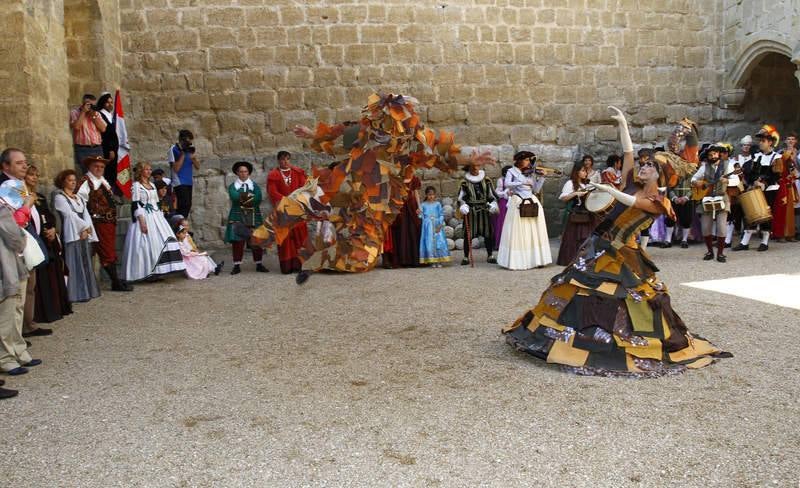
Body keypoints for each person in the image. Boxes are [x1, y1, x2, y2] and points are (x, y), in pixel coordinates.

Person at [503, 106, 729, 376]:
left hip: (622, 252)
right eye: (644, 164)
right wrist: (622, 123)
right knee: (572, 289)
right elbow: (628, 150)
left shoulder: (658, 202)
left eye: (650, 166)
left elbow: (632, 202)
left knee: (625, 298)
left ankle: (614, 342)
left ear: (660, 175)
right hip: (599, 244)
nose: (644, 167)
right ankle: (561, 335)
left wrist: (608, 188)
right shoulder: (633, 179)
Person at [245, 93, 493, 285]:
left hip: (374, 204)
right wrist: (311, 133)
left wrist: (471, 158)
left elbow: (444, 151)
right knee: (306, 197)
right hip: (346, 181)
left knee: (363, 258)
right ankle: (262, 234)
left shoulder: (417, 140)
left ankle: (320, 258)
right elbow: (336, 135)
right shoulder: (365, 131)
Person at [1, 149, 53, 337]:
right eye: (19, 163)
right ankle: (16, 338)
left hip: (27, 239)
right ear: (6, 166)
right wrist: (27, 204)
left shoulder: (18, 184)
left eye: (25, 162)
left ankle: (26, 328)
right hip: (12, 246)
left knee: (28, 287)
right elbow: (14, 221)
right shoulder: (5, 186)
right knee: (15, 293)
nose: (24, 165)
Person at [121, 162, 186, 282]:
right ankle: (146, 272)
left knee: (163, 239)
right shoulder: (136, 186)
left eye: (150, 169)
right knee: (145, 244)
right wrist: (141, 220)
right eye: (146, 169)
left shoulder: (152, 184)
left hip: (156, 215)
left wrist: (161, 214)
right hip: (144, 216)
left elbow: (156, 202)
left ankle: (158, 271)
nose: (149, 171)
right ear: (141, 171)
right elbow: (135, 204)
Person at [0, 188, 41, 377]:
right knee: (7, 312)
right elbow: (13, 234)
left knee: (16, 308)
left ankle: (18, 350)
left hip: (14, 262)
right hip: (6, 262)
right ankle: (5, 358)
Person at [76, 156, 133, 292]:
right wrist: (87, 221)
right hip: (98, 222)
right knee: (106, 251)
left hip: (108, 222)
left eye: (102, 167)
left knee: (109, 250)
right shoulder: (86, 182)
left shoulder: (102, 181)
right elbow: (79, 202)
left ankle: (115, 280)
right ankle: (115, 282)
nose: (99, 169)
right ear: (89, 167)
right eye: (96, 166)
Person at [24, 165, 72, 324]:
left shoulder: (39, 197)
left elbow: (48, 215)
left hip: (45, 240)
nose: (34, 178)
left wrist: (52, 229)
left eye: (36, 175)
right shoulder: (21, 196)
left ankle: (52, 309)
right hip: (32, 240)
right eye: (31, 175)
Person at [497, 150, 551, 270]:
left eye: (529, 160)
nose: (528, 162)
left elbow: (536, 190)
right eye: (526, 160)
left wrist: (541, 178)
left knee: (534, 231)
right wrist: (522, 181)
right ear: (520, 160)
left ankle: (537, 259)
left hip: (531, 201)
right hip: (518, 202)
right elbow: (507, 184)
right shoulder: (511, 171)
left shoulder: (530, 173)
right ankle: (518, 261)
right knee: (518, 231)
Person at [52, 169, 101, 303]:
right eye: (70, 180)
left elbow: (85, 214)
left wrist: (89, 229)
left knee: (84, 261)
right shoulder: (60, 197)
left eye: (74, 180)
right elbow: (69, 215)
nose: (73, 183)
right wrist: (84, 228)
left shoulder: (78, 198)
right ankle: (75, 293)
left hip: (82, 232)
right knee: (73, 262)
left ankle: (85, 291)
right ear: (63, 181)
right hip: (73, 233)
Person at [734, 125, 781, 252]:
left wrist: (764, 183)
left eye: (763, 141)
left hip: (770, 190)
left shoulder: (776, 158)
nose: (760, 143)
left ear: (770, 142)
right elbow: (751, 173)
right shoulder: (757, 157)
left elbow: (776, 175)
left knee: (765, 214)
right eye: (760, 141)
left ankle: (765, 241)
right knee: (750, 212)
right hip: (756, 188)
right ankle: (745, 242)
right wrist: (753, 181)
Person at [266, 151, 307, 274]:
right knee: (285, 238)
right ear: (279, 161)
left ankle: (301, 265)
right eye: (283, 160)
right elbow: (272, 191)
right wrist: (286, 200)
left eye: (287, 159)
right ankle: (287, 266)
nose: (285, 162)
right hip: (282, 210)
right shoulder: (273, 175)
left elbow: (303, 188)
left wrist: (296, 199)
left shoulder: (298, 172)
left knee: (300, 237)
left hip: (297, 209)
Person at [225, 161, 267, 275]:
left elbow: (259, 198)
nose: (243, 174)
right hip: (237, 214)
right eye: (241, 171)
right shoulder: (233, 186)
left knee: (256, 239)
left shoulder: (255, 186)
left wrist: (242, 198)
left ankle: (259, 263)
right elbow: (234, 197)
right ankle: (237, 265)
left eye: (245, 171)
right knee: (237, 241)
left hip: (254, 215)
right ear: (237, 173)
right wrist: (250, 198)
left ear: (249, 173)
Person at [691, 143, 730, 262]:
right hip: (706, 198)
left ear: (719, 154)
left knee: (721, 227)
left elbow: (736, 180)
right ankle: (710, 251)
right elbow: (693, 179)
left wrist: (726, 181)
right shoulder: (704, 167)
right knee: (705, 227)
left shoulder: (728, 165)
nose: (713, 156)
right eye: (710, 154)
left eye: (715, 153)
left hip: (722, 198)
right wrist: (699, 183)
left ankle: (721, 253)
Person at [457, 162, 499, 265]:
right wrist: (463, 205)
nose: (476, 169)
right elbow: (460, 197)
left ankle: (490, 255)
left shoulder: (487, 180)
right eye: (473, 167)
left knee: (488, 234)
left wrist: (493, 203)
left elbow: (492, 194)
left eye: (477, 166)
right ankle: (466, 257)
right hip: (471, 212)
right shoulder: (464, 182)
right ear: (469, 169)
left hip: (484, 210)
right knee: (468, 234)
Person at [556, 161, 596, 265]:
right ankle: (571, 260)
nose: (585, 173)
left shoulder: (586, 183)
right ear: (577, 171)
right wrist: (575, 193)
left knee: (587, 238)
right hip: (576, 215)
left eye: (585, 171)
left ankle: (585, 260)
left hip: (587, 214)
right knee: (573, 239)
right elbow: (563, 197)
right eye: (582, 170)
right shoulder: (570, 183)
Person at [390, 166, 422, 267]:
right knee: (403, 231)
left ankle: (414, 259)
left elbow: (416, 193)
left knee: (413, 230)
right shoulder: (399, 179)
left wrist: (419, 206)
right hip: (401, 207)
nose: (411, 171)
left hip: (412, 207)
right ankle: (404, 260)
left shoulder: (414, 179)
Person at [69, 94, 106, 170]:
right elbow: (76, 127)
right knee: (86, 172)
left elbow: (103, 129)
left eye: (93, 105)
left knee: (99, 172)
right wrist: (83, 112)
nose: (91, 107)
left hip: (97, 148)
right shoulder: (75, 112)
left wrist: (93, 116)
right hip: (83, 149)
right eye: (89, 104)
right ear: (83, 103)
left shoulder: (96, 114)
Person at [167, 129, 199, 218]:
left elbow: (198, 167)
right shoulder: (173, 149)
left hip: (188, 181)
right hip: (179, 181)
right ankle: (179, 226)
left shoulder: (189, 149)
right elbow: (176, 168)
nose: (189, 143)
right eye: (187, 141)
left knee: (188, 205)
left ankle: (183, 226)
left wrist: (194, 158)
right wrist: (183, 154)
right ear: (181, 140)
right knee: (182, 206)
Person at [773, 133, 798, 242]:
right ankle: (780, 234)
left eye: (793, 139)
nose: (791, 141)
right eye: (789, 139)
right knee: (781, 210)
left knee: (791, 211)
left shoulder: (798, 152)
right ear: (785, 141)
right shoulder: (780, 153)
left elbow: (793, 169)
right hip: (782, 183)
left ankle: (790, 233)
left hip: (792, 183)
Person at [419, 186, 450, 267]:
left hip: (437, 226)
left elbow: (441, 214)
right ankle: (432, 260)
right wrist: (418, 212)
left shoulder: (437, 204)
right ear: (426, 195)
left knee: (439, 243)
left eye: (433, 194)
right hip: (428, 227)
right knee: (429, 243)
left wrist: (440, 225)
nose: (431, 196)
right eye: (429, 195)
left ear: (435, 195)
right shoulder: (423, 205)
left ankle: (439, 260)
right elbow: (421, 216)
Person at [95, 93, 119, 186]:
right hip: (107, 149)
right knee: (108, 173)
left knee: (113, 174)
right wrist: (110, 149)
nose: (110, 104)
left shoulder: (110, 115)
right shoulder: (101, 115)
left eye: (111, 102)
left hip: (114, 149)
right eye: (107, 102)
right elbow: (105, 135)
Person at [491, 165, 513, 251]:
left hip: (514, 202)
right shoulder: (501, 181)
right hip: (504, 203)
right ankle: (500, 243)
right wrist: (505, 193)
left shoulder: (516, 180)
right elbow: (497, 193)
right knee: (503, 223)